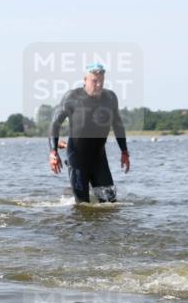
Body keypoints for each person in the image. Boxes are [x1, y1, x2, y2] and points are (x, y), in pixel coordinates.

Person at [48, 63, 130, 203]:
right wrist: (53, 152)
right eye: (94, 81)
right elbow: (55, 123)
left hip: (99, 159)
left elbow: (118, 125)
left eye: (101, 81)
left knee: (110, 203)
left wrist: (124, 151)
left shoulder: (110, 98)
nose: (98, 85)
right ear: (85, 80)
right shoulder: (72, 97)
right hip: (77, 159)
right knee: (82, 205)